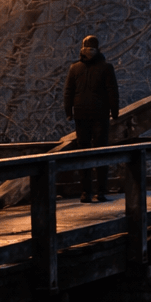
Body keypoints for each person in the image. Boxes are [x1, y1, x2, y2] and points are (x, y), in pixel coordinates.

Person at [64, 35, 119, 202]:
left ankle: (85, 192)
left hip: (81, 114)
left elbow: (68, 91)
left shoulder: (75, 68)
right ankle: (100, 191)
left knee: (84, 152)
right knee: (101, 151)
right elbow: (112, 91)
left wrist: (68, 111)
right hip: (100, 114)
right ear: (98, 49)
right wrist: (114, 112)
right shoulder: (106, 68)